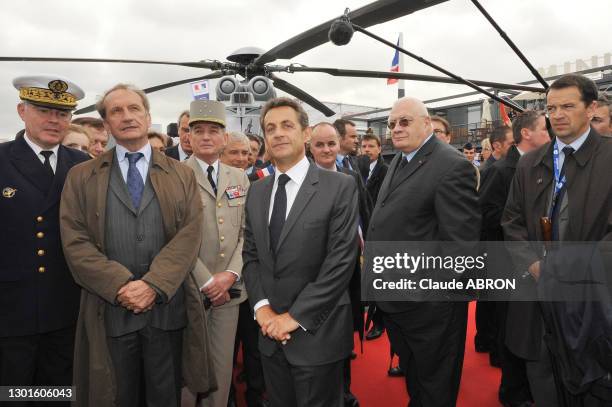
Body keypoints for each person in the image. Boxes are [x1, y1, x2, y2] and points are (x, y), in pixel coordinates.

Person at [60, 83, 215, 407]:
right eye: (116, 111)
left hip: (166, 312)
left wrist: (153, 285)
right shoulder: (81, 176)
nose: (126, 116)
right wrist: (120, 286)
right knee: (114, 397)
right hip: (110, 311)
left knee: (164, 397)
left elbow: (189, 234)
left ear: (147, 117)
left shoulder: (180, 174)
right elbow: (74, 241)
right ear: (106, 124)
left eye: (134, 109)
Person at [503, 73, 612, 406]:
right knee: (544, 384)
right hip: (536, 304)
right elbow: (511, 221)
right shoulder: (530, 162)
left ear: (591, 108)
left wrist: (568, 269)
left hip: (593, 306)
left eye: (568, 106)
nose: (558, 114)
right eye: (551, 108)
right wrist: (534, 266)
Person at [243, 97, 358, 407]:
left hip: (317, 334)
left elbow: (340, 263)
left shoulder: (340, 187)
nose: (278, 133)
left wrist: (292, 318)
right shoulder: (256, 191)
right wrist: (263, 310)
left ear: (306, 134)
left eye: (287, 125)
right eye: (270, 128)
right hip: (269, 335)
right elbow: (251, 257)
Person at [367, 97, 480, 407]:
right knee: (418, 378)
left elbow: (461, 246)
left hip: (429, 307)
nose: (397, 128)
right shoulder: (402, 159)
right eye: (392, 123)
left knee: (435, 386)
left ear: (427, 124)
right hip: (397, 301)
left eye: (405, 121)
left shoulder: (451, 165)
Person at [0, 75, 88, 403]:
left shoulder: (82, 165)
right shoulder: (2, 159)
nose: (54, 120)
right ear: (22, 111)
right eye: (43, 110)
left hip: (64, 306)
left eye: (63, 114)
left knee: (57, 394)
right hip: (11, 311)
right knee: (14, 393)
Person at [479, 109, 550, 407]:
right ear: (527, 133)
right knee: (512, 329)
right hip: (507, 260)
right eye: (545, 129)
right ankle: (513, 392)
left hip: (531, 260)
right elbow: (486, 215)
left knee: (529, 330)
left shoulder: (543, 165)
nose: (550, 134)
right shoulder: (501, 170)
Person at [182, 100, 249, 407]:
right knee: (187, 370)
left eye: (213, 131)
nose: (206, 137)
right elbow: (174, 238)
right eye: (199, 131)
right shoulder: (174, 176)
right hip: (189, 290)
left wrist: (230, 275)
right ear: (189, 137)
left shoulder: (240, 178)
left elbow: (246, 233)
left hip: (230, 291)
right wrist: (208, 281)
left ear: (225, 138)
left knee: (222, 370)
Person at [310, 121, 373, 407]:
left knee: (345, 336)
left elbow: (365, 214)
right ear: (309, 148)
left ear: (338, 145)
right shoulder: (302, 180)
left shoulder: (350, 175)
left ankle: (344, 391)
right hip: (314, 275)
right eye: (319, 144)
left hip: (350, 273)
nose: (326, 150)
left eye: (331, 144)